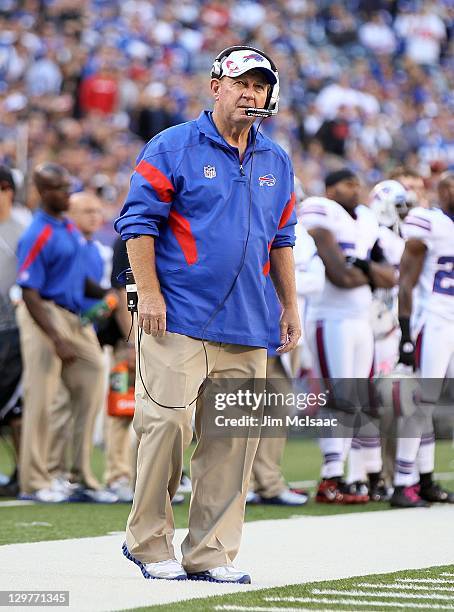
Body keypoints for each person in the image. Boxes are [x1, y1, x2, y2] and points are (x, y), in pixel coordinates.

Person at [114, 46, 300, 583]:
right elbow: (137, 223)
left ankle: (211, 552)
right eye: (241, 83)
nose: (251, 94)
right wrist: (147, 294)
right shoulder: (172, 145)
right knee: (167, 425)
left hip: (248, 321)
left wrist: (289, 305)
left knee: (232, 441)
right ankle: (148, 543)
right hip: (176, 315)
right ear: (215, 86)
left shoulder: (277, 160)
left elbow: (282, 239)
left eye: (260, 86)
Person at [301, 170, 396, 503]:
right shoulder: (319, 209)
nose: (355, 190)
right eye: (346, 184)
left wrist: (365, 270)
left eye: (358, 184)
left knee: (363, 398)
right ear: (329, 189)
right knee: (339, 397)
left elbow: (390, 276)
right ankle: (331, 478)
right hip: (330, 317)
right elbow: (339, 275)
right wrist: (369, 273)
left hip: (361, 318)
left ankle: (366, 476)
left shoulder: (367, 220)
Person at [16, 163, 108, 502]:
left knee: (95, 374)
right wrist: (55, 339)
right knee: (41, 399)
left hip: (74, 314)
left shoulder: (67, 227)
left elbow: (75, 275)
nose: (66, 194)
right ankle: (35, 482)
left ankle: (77, 474)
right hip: (45, 316)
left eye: (68, 187)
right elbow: (29, 291)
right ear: (43, 192)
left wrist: (107, 294)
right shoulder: (36, 233)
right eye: (59, 189)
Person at [45, 191, 117, 502]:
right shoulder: (65, 241)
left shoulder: (93, 248)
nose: (95, 216)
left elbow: (89, 286)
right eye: (86, 210)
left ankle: (76, 474)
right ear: (69, 212)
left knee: (83, 403)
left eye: (98, 211)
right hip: (57, 318)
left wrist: (105, 299)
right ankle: (54, 473)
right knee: (58, 401)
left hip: (84, 323)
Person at [390, 171, 454, 507]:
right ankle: (403, 483)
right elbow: (406, 281)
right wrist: (405, 333)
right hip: (434, 321)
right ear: (443, 191)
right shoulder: (429, 222)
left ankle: (426, 480)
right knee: (422, 401)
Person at [0, 165, 31, 497]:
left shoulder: (24, 228)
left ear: (6, 189)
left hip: (14, 328)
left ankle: (24, 473)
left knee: (16, 406)